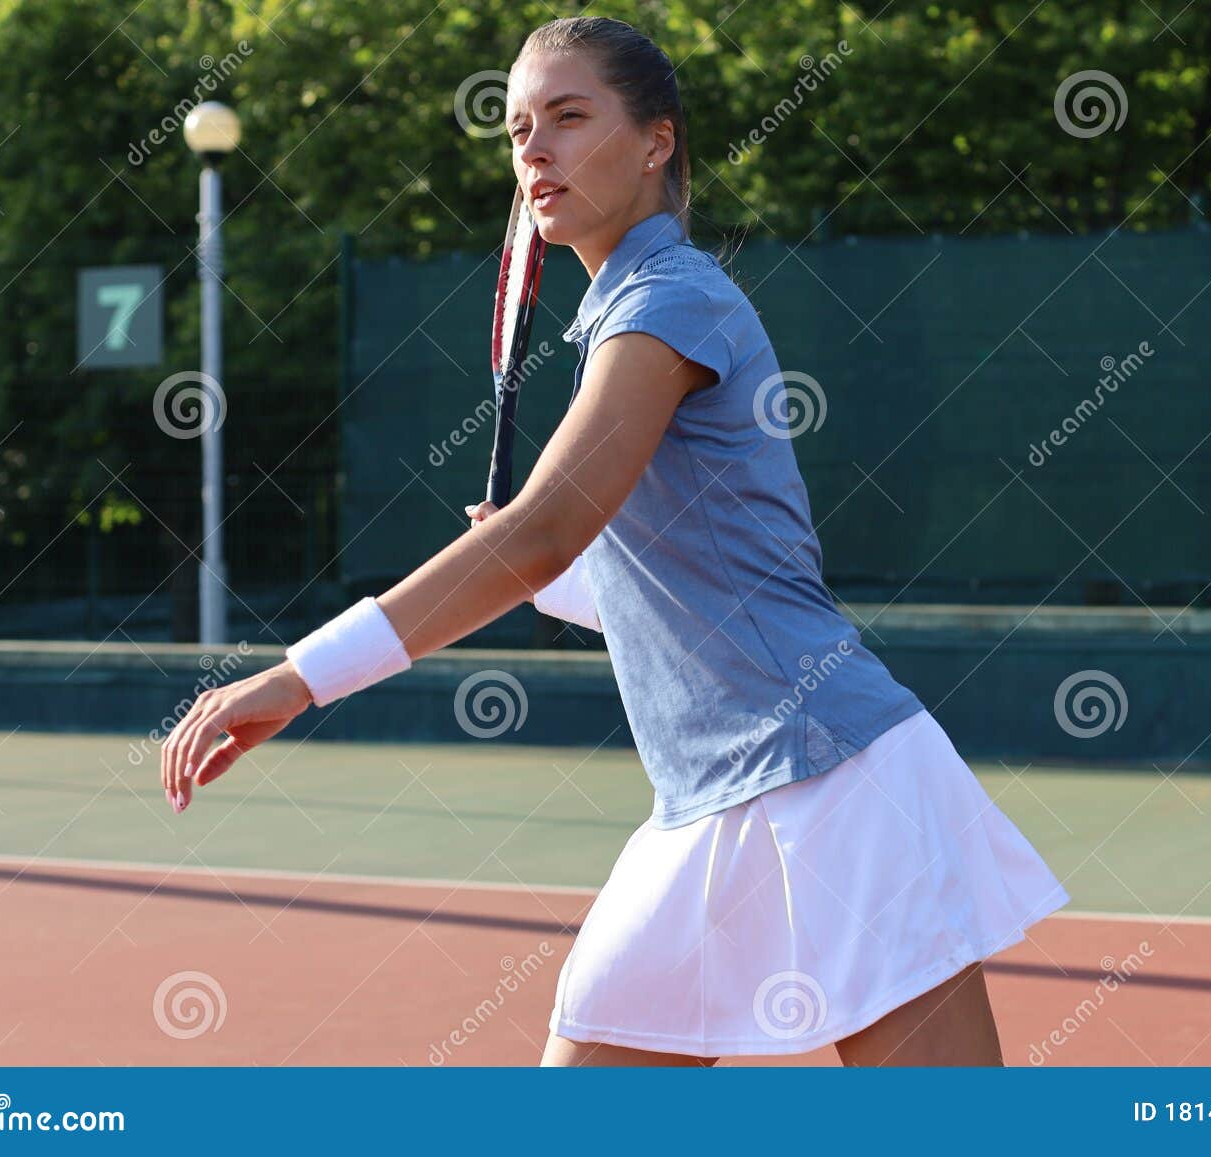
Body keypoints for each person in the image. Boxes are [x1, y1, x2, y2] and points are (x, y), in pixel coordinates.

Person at [158, 14, 1068, 1067]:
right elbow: (674, 575)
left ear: (655, 141)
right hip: (701, 803)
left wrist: (296, 675)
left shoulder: (669, 300)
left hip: (829, 780)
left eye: (568, 116)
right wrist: (559, 574)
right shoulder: (625, 309)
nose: (531, 150)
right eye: (515, 129)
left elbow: (543, 531)